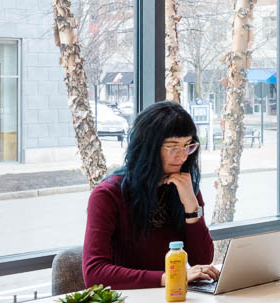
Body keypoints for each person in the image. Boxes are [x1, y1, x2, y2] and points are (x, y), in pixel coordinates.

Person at [83, 101, 219, 288]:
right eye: (173, 147)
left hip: (171, 298)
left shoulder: (184, 186)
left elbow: (202, 259)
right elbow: (94, 273)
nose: (182, 156)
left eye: (188, 145)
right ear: (147, 146)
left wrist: (191, 206)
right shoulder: (108, 195)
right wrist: (169, 278)